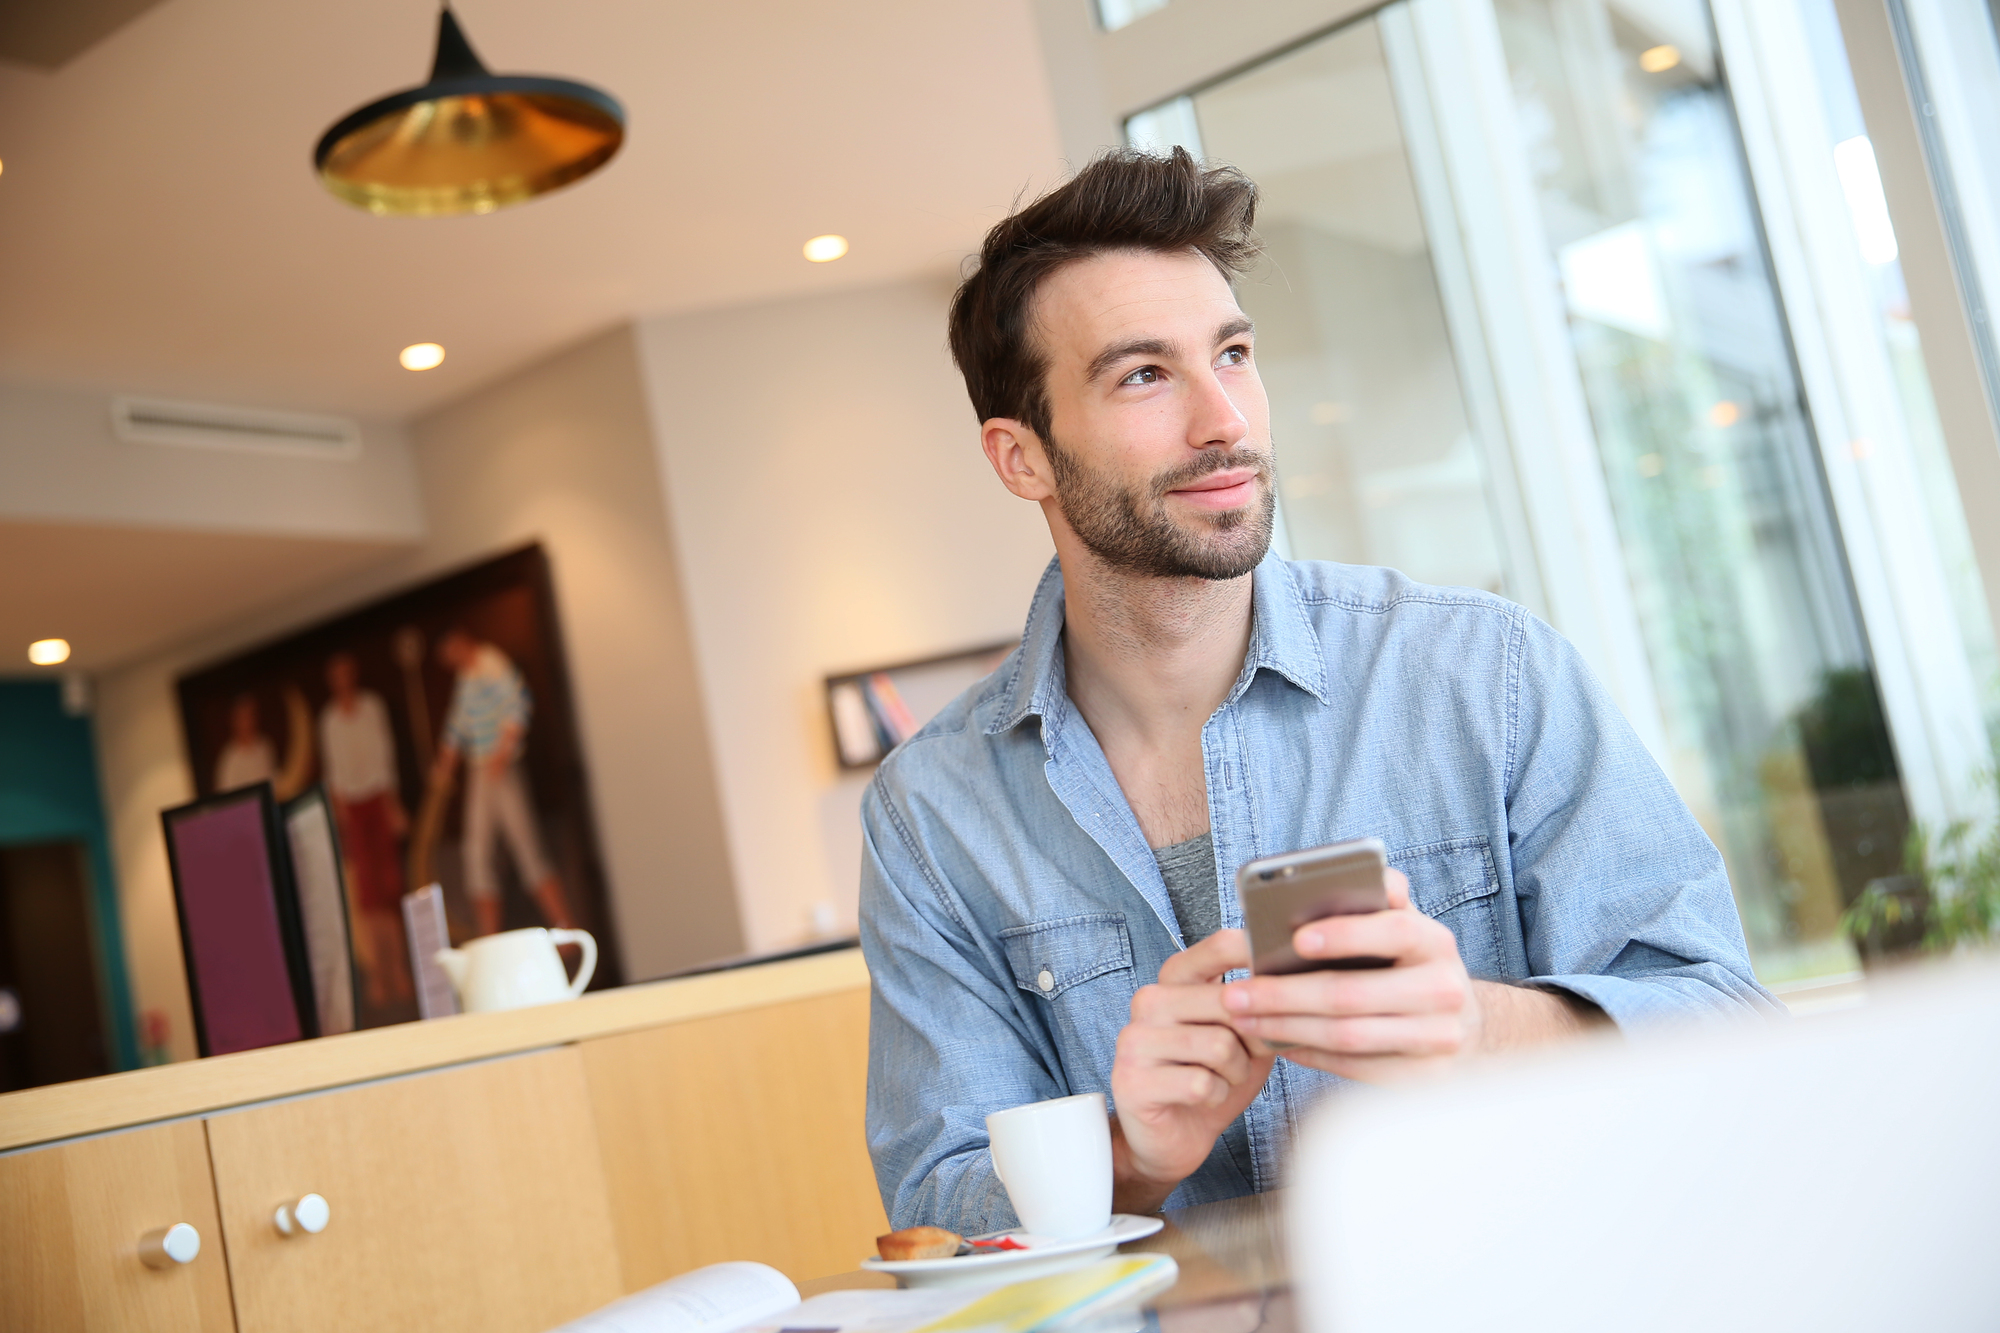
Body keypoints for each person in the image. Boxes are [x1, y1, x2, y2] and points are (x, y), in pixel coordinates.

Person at [860, 149, 1782, 1235]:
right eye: (1143, 376)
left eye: (1234, 354)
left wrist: (1475, 1028)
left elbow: (1732, 1032)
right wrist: (1132, 1154)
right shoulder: (931, 817)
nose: (1224, 422)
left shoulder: (1482, 674)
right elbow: (936, 1205)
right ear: (1022, 459)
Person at [430, 628, 572, 937]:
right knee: (475, 855)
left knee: (526, 848)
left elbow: (519, 705)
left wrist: (502, 751)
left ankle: (566, 929)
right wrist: (445, 764)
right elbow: (457, 725)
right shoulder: (466, 679)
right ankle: (489, 937)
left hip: (500, 768)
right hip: (480, 769)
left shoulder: (491, 664)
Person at [320, 651, 412, 1008]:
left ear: (353, 674)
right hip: (352, 807)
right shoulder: (328, 720)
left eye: (347, 672)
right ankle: (378, 972)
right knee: (367, 894)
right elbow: (334, 768)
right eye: (336, 674)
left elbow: (383, 753)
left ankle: (401, 969)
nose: (343, 679)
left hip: (377, 797)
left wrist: (391, 803)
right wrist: (341, 811)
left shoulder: (372, 707)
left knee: (391, 887)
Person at [215, 693, 276, 792]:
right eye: (243, 717)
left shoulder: (265, 745)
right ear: (234, 721)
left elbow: (274, 783)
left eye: (251, 715)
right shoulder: (228, 758)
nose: (248, 722)